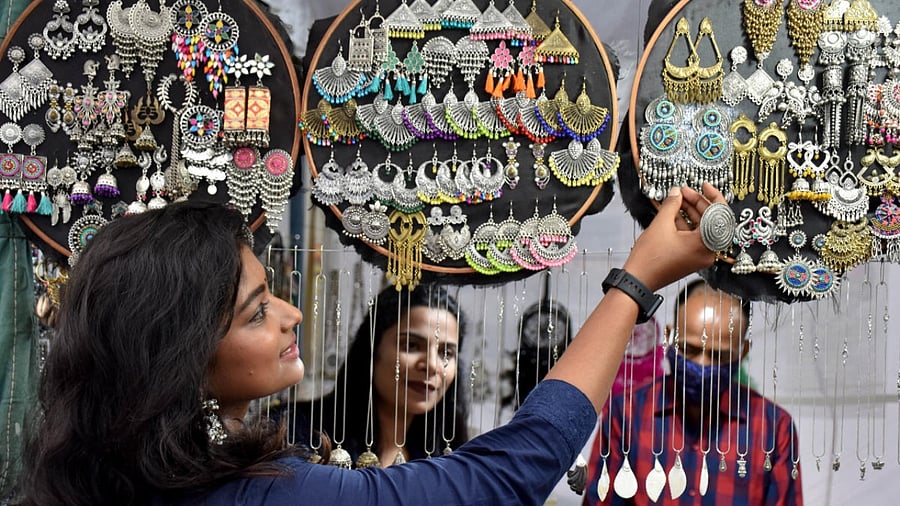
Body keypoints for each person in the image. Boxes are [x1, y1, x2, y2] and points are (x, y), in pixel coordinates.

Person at [19, 183, 720, 505]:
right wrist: (635, 282)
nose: (293, 315)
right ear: (180, 358)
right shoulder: (262, 489)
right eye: (258, 312)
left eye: (447, 352)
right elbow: (510, 474)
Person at [583, 279, 803, 505]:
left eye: (719, 355)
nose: (703, 365)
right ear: (669, 337)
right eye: (690, 350)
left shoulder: (774, 428)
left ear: (743, 350)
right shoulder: (626, 413)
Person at [283, 284, 469, 468]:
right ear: (372, 349)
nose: (432, 365)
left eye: (446, 353)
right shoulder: (295, 432)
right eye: (411, 345)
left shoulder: (450, 454)